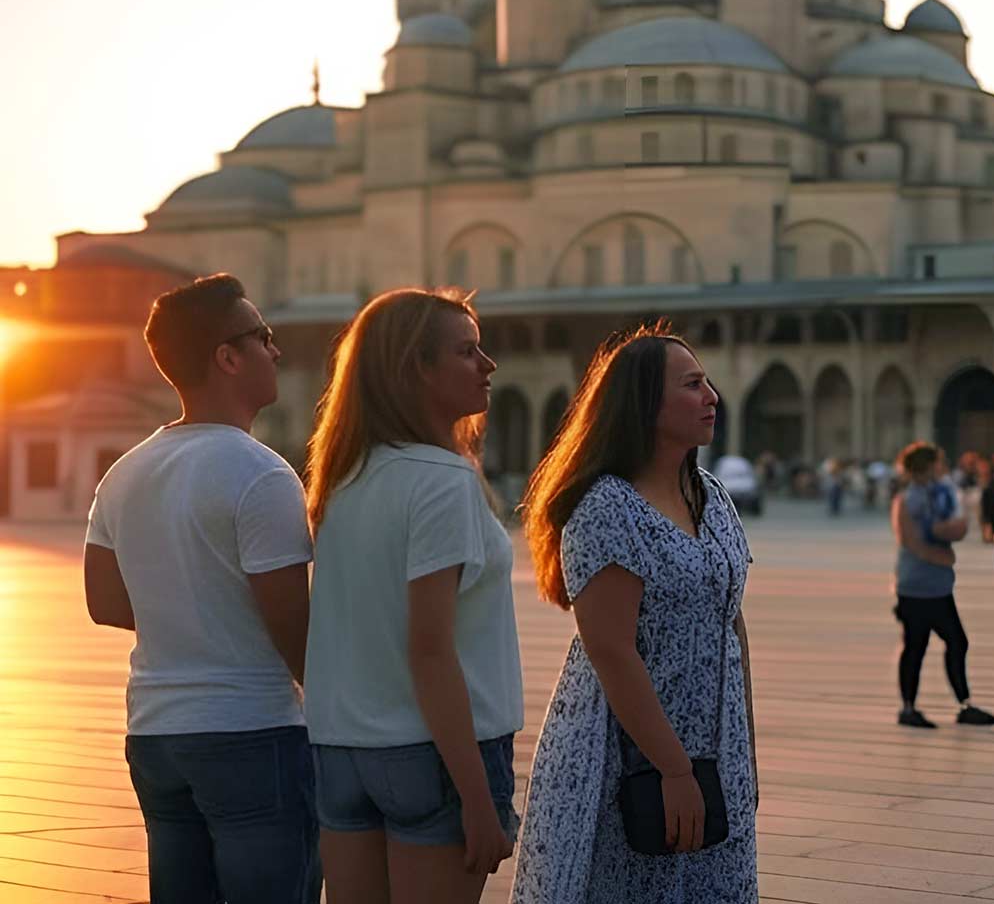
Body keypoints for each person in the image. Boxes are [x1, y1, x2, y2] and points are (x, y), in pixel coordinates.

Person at [82, 274, 320, 904]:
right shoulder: (261, 473)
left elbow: (104, 603)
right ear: (227, 356)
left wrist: (187, 609)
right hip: (251, 732)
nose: (276, 351)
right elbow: (291, 624)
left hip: (157, 733)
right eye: (263, 337)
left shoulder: (123, 473)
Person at [512, 325, 758, 902]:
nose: (711, 396)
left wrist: (743, 754)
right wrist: (674, 769)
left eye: (708, 383)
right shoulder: (606, 508)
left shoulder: (711, 495)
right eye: (692, 385)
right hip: (628, 759)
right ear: (645, 403)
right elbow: (611, 651)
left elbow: (732, 620)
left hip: (717, 752)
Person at [301, 289, 522, 903]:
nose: (488, 365)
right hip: (433, 755)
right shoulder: (444, 481)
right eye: (466, 351)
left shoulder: (342, 479)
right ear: (416, 370)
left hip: (343, 749)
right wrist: (478, 801)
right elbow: (429, 650)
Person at [891, 441, 994, 729]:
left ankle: (962, 703)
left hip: (937, 587)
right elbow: (910, 539)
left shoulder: (936, 494)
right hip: (917, 586)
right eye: (938, 464)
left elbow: (954, 524)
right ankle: (909, 708)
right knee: (917, 645)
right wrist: (943, 557)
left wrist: (952, 535)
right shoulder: (909, 498)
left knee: (954, 641)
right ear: (926, 467)